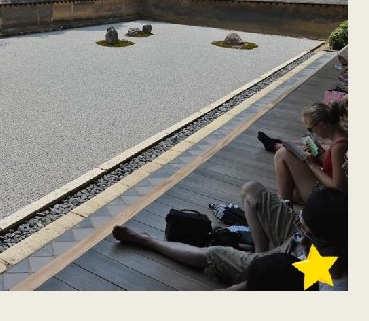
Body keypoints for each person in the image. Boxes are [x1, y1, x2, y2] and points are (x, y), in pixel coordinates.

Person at [112, 184, 347, 290]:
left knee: (215, 253)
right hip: (312, 248)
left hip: (304, 263)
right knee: (252, 190)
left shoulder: (334, 289)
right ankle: (258, 253)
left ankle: (147, 241)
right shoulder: (336, 233)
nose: (299, 228)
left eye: (303, 227)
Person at [273, 101, 347, 204]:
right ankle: (286, 199)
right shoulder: (342, 136)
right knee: (287, 154)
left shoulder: (339, 146)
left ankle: (284, 206)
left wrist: (312, 165)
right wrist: (320, 155)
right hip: (330, 187)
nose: (312, 133)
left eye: (310, 129)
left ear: (322, 125)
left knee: (282, 154)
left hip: (330, 200)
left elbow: (338, 189)